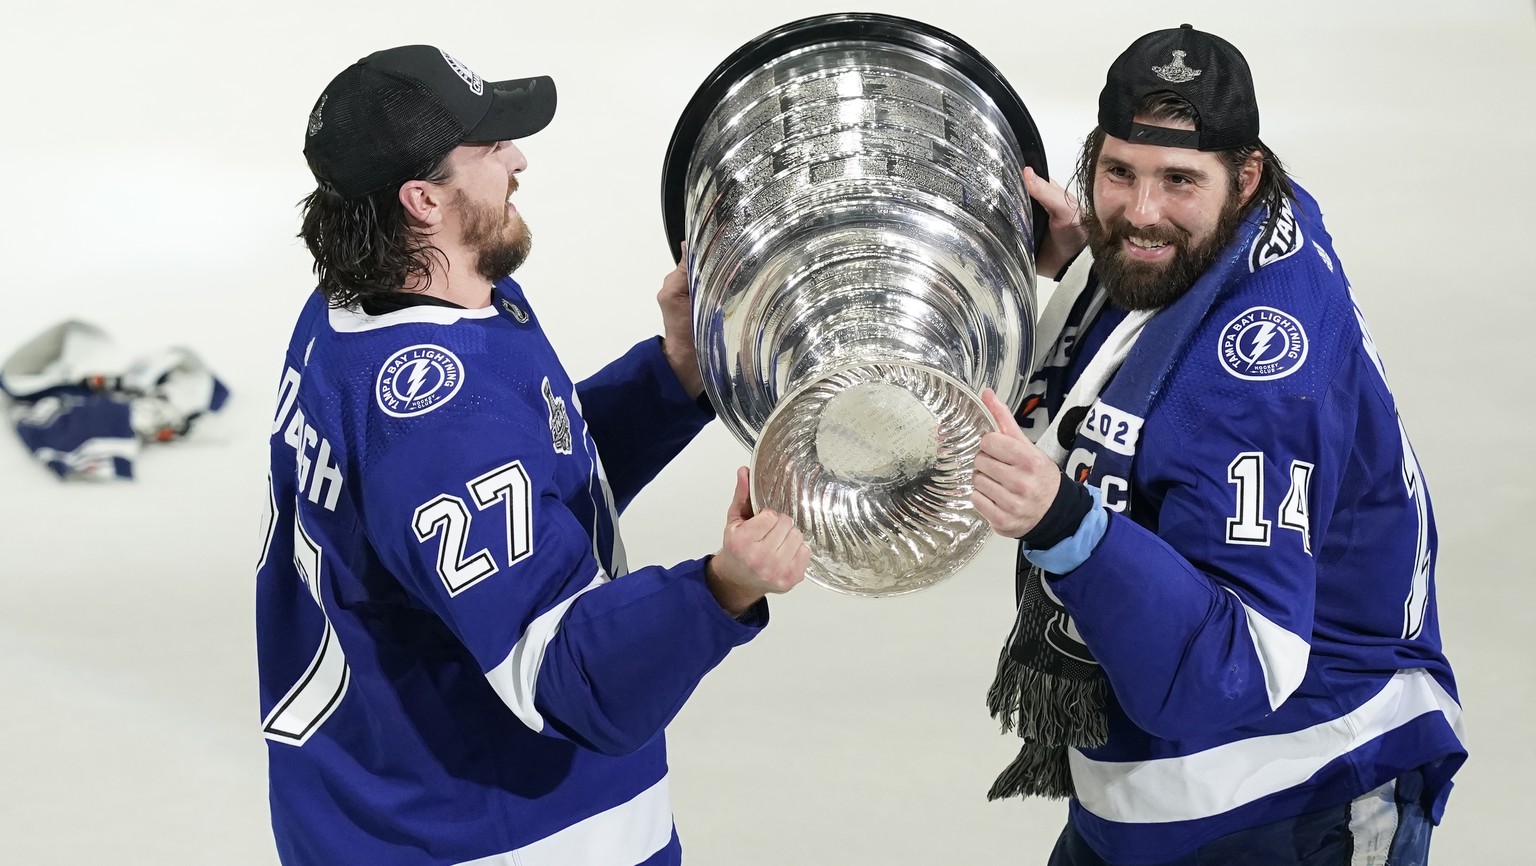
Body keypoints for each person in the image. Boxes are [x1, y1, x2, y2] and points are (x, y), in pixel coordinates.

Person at [255, 45, 810, 866]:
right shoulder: (436, 417)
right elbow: (573, 680)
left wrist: (673, 375)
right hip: (502, 838)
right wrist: (722, 589)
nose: (517, 159)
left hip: (375, 809)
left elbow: (518, 481)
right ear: (422, 199)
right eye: (489, 148)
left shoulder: (370, 303)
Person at [970, 24, 1465, 865]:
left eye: (1178, 182)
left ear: (1245, 177)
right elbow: (1155, 273)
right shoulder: (1257, 231)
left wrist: (1065, 524)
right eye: (1117, 173)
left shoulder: (1260, 379)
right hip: (1162, 788)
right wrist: (1091, 268)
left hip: (1294, 794)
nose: (1141, 211)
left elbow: (1235, 668)